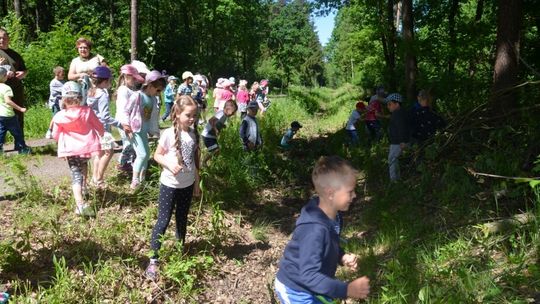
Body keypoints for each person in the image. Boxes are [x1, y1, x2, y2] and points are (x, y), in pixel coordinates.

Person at [275, 156, 370, 303]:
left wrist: (342, 256)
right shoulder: (313, 230)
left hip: (313, 285)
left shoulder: (333, 215)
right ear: (331, 193)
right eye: (350, 192)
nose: (354, 195)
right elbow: (308, 275)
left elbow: (329, 243)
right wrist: (346, 289)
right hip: (296, 289)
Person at [145, 95, 200, 280]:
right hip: (170, 184)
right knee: (164, 220)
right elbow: (157, 156)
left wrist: (197, 185)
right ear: (177, 113)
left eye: (194, 115)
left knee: (182, 218)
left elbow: (195, 162)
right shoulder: (168, 133)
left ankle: (179, 249)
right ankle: (153, 260)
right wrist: (169, 164)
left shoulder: (194, 134)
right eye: (188, 115)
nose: (192, 118)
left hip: (187, 184)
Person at [51, 81, 104, 215]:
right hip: (86, 148)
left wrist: (61, 143)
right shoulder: (87, 112)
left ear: (63, 100)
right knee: (84, 166)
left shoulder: (59, 116)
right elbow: (98, 126)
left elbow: (55, 134)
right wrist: (103, 134)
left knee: (76, 175)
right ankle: (83, 193)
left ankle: (80, 201)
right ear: (80, 98)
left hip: (71, 150)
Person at [119, 70, 165, 190]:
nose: (159, 93)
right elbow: (125, 110)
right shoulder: (137, 95)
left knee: (147, 154)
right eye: (158, 90)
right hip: (135, 129)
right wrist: (125, 124)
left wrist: (154, 130)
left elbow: (153, 116)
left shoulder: (153, 99)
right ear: (150, 85)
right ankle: (135, 181)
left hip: (144, 130)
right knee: (142, 154)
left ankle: (142, 179)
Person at [87, 66, 121, 188]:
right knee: (109, 152)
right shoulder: (102, 94)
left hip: (94, 128)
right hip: (102, 130)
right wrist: (120, 124)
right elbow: (105, 117)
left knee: (100, 154)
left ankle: (94, 179)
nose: (110, 83)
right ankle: (99, 179)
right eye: (110, 81)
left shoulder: (92, 91)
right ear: (105, 81)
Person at [115, 64, 145, 172]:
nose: (135, 81)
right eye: (133, 78)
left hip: (129, 121)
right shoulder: (123, 90)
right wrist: (126, 124)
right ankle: (122, 163)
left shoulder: (130, 89)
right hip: (124, 122)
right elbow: (123, 108)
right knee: (129, 143)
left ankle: (128, 163)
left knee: (131, 143)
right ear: (126, 76)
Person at [0, 28, 28, 134]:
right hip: (1, 92)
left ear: (8, 39)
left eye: (4, 38)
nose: (2, 40)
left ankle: (20, 144)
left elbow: (24, 70)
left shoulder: (15, 54)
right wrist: (3, 73)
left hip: (16, 89)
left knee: (18, 115)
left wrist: (23, 74)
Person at [0, 67, 30, 154]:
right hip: (9, 115)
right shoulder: (6, 88)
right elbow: (8, 101)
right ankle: (22, 149)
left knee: (1, 132)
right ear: (5, 76)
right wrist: (20, 108)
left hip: (0, 115)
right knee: (17, 132)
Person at [67, 37, 107, 105]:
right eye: (81, 48)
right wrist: (80, 75)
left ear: (89, 48)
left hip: (97, 89)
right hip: (82, 90)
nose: (83, 50)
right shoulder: (75, 61)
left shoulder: (97, 57)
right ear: (78, 49)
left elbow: (106, 71)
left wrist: (95, 74)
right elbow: (70, 76)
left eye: (85, 47)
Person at [201, 100, 238, 165]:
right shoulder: (221, 113)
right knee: (216, 150)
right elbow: (211, 120)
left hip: (212, 136)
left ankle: (212, 163)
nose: (232, 114)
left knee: (217, 151)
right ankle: (204, 161)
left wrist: (223, 126)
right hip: (207, 135)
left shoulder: (225, 116)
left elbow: (218, 123)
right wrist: (215, 129)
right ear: (227, 109)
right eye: (232, 112)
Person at [385, 93, 410, 182]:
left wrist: (402, 141)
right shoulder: (399, 113)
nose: (388, 107)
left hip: (398, 143)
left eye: (390, 104)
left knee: (391, 160)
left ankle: (394, 181)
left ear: (397, 104)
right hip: (398, 142)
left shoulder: (398, 114)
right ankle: (397, 179)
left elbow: (401, 127)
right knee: (394, 160)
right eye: (387, 104)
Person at [45, 66, 65, 139]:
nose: (63, 75)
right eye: (62, 74)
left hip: (62, 103)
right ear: (57, 73)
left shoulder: (63, 81)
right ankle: (49, 130)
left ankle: (60, 131)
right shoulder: (54, 83)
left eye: (64, 74)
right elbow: (63, 91)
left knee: (62, 117)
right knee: (55, 117)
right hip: (55, 103)